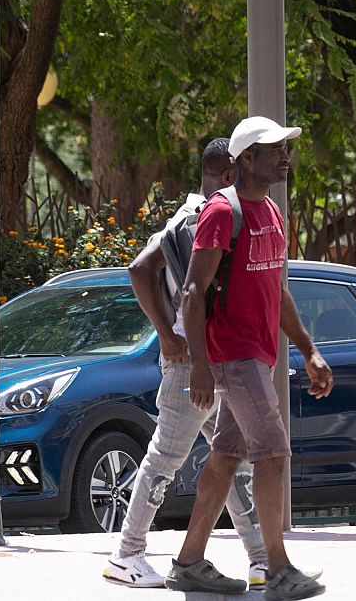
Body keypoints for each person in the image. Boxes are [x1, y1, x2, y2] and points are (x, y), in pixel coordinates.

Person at [166, 116, 332, 601]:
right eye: (273, 148)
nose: (284, 155)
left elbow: (277, 293)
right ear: (245, 159)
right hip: (232, 354)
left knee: (226, 455)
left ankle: (189, 562)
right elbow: (194, 291)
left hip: (258, 357)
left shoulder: (273, 213)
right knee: (274, 452)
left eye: (285, 147)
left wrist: (309, 348)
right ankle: (278, 569)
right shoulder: (223, 211)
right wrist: (198, 363)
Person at [103, 138, 269, 589]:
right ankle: (127, 554)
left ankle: (261, 560)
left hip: (212, 357)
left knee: (232, 457)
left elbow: (144, 269)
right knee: (166, 458)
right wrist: (168, 334)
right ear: (231, 174)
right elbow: (141, 269)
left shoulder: (192, 213)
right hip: (196, 363)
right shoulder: (201, 217)